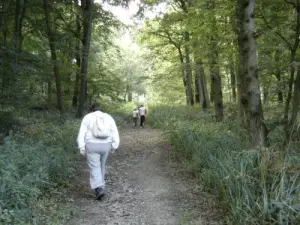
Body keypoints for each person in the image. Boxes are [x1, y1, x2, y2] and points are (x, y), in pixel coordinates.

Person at [77, 103, 120, 200]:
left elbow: (81, 133)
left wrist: (81, 147)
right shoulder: (108, 117)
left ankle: (99, 189)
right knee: (102, 165)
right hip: (106, 145)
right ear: (101, 110)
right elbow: (114, 131)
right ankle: (101, 186)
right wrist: (114, 145)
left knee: (94, 166)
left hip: (91, 145)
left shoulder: (87, 117)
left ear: (92, 110)